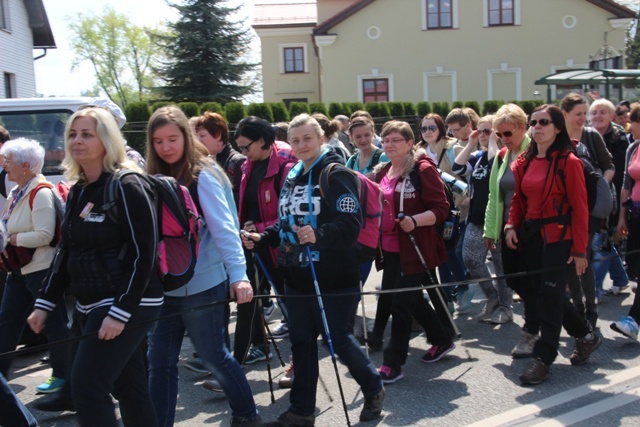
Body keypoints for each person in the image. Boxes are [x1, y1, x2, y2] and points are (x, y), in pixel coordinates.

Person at [242, 113, 384, 426]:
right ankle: (301, 411)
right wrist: (262, 238)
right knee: (302, 343)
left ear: (320, 138)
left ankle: (373, 388)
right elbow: (284, 224)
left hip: (333, 274)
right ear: (289, 144)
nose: (302, 144)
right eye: (295, 140)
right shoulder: (292, 175)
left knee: (337, 339)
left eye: (308, 138)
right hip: (295, 273)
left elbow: (350, 224)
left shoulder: (336, 173)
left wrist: (319, 234)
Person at [27, 107, 162, 426]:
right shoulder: (79, 190)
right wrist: (44, 302)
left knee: (87, 387)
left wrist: (121, 311)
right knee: (128, 387)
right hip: (91, 304)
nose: (77, 141)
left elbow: (145, 254)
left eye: (87, 134)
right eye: (72, 134)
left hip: (127, 303)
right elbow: (66, 250)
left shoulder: (128, 185)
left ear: (107, 139)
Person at [145, 106, 260, 427]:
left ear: (185, 135)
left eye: (172, 138)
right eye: (157, 141)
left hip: (204, 285)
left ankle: (247, 416)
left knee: (214, 357)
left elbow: (225, 230)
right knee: (160, 362)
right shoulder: (153, 178)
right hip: (167, 287)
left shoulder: (203, 175)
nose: (166, 147)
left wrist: (239, 276)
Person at [505, 104, 600, 385]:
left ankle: (543, 358)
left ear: (557, 127)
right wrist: (511, 224)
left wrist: (580, 249)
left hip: (560, 237)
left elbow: (580, 208)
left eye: (544, 122)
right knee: (542, 292)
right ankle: (585, 336)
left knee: (549, 295)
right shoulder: (525, 161)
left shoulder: (569, 162)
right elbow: (519, 201)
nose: (537, 127)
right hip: (532, 236)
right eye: (533, 122)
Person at [372, 120, 454, 383]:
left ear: (410, 144)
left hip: (417, 248)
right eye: (385, 140)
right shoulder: (383, 171)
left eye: (396, 140)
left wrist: (415, 220)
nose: (390, 144)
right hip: (390, 249)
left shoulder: (422, 169)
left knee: (401, 304)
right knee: (411, 299)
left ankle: (392, 363)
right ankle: (442, 338)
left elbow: (441, 209)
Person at [0, 138, 69, 394]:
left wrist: (11, 238)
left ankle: (63, 376)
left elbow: (45, 235)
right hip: (18, 270)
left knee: (55, 323)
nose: (5, 166)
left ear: (26, 165)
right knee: (7, 322)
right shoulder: (16, 191)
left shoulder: (40, 192)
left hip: (41, 270)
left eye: (9, 161)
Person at [232, 116, 293, 366]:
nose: (243, 152)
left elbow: (291, 215)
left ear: (262, 141)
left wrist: (259, 228)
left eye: (246, 146)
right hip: (252, 243)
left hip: (281, 247)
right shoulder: (248, 164)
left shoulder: (286, 166)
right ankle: (242, 356)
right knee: (248, 300)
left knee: (291, 306)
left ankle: (299, 362)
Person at [484, 103, 535, 357]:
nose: (504, 139)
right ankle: (548, 317)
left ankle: (532, 331)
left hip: (531, 229)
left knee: (533, 281)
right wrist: (490, 230)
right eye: (499, 134)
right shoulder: (503, 156)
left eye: (508, 133)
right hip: (507, 228)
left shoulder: (535, 151)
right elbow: (495, 195)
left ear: (523, 128)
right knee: (514, 279)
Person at [561, 93, 615, 327]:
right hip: (564, 209)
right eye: (578, 114)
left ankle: (590, 309)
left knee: (582, 256)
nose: (584, 118)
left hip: (589, 208)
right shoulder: (556, 136)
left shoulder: (592, 136)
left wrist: (599, 184)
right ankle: (578, 307)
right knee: (570, 260)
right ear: (565, 114)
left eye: (585, 113)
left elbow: (609, 165)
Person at [453, 115, 513, 324]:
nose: (483, 135)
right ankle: (492, 297)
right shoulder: (477, 156)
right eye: (480, 131)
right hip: (476, 218)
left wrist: (494, 142)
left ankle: (506, 308)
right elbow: (457, 167)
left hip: (497, 220)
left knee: (501, 267)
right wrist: (471, 142)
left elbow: (497, 167)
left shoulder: (503, 155)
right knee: (469, 258)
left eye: (488, 131)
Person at [416, 113, 470, 312]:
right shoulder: (418, 151)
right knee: (441, 254)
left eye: (432, 128)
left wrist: (468, 195)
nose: (428, 132)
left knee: (449, 251)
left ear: (440, 128)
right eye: (424, 128)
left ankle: (463, 286)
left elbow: (469, 173)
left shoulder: (453, 147)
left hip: (455, 211)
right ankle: (447, 299)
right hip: (432, 211)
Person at [612, 103, 640, 339]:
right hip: (635, 214)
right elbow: (626, 185)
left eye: (635, 121)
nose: (631, 125)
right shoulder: (633, 148)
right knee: (635, 267)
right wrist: (622, 215)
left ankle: (633, 320)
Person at [195, 111, 245, 206]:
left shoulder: (237, 162)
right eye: (197, 136)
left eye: (202, 136)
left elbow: (241, 202)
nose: (198, 140)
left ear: (217, 135)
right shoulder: (210, 161)